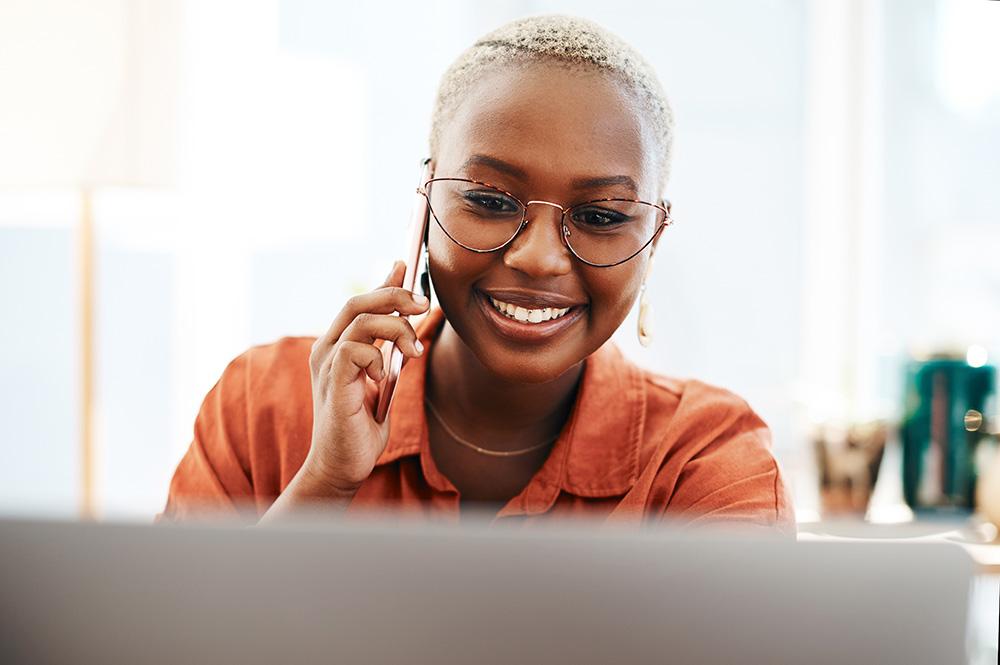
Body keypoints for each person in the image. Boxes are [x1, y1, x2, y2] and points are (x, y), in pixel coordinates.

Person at [158, 15, 795, 533]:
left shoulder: (707, 459)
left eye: (601, 215)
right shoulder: (258, 408)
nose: (540, 258)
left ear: (653, 239)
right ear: (425, 199)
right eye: (491, 202)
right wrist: (324, 480)